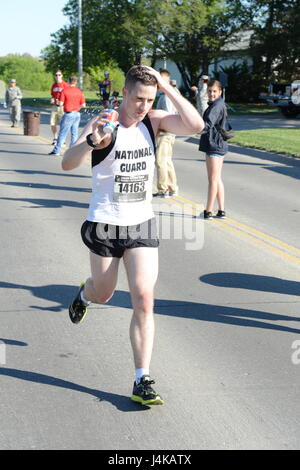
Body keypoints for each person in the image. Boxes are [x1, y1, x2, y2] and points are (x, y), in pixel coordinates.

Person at [62, 65, 204, 406]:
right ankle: (86, 293)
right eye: (138, 98)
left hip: (141, 222)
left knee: (143, 298)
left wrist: (168, 89)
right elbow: (68, 163)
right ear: (124, 93)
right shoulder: (103, 123)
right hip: (105, 224)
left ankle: (142, 378)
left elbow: (196, 125)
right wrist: (91, 143)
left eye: (149, 99)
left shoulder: (153, 122)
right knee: (104, 293)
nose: (143, 105)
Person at [199, 79, 227, 219]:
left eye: (214, 91)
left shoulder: (216, 105)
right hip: (218, 144)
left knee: (212, 180)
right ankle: (221, 210)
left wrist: (195, 128)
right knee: (217, 178)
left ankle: (208, 211)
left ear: (220, 92)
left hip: (214, 144)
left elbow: (208, 123)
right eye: (209, 91)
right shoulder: (217, 104)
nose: (211, 94)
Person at [154, 69, 179, 197]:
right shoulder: (170, 94)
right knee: (167, 161)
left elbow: (168, 115)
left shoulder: (166, 97)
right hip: (170, 133)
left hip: (165, 133)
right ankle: (172, 187)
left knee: (160, 161)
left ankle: (162, 189)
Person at [49, 75, 85, 156]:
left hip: (68, 114)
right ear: (76, 82)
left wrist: (56, 102)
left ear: (68, 81)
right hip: (77, 114)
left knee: (62, 133)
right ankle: (72, 151)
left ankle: (57, 150)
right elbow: (83, 105)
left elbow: (61, 103)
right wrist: (76, 107)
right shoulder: (79, 91)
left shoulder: (65, 91)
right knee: (74, 133)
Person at [50, 69, 68, 145]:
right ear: (54, 76)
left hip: (62, 107)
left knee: (63, 124)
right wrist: (52, 99)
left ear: (62, 75)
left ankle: (62, 139)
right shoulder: (53, 85)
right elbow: (52, 95)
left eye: (59, 75)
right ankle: (55, 138)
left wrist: (63, 102)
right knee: (52, 123)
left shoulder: (65, 85)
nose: (58, 76)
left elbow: (68, 96)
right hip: (54, 106)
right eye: (56, 75)